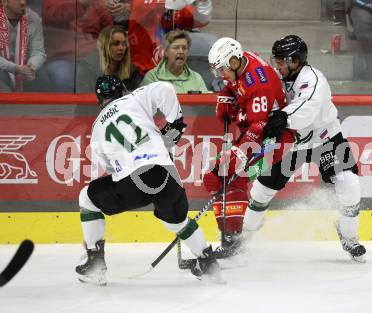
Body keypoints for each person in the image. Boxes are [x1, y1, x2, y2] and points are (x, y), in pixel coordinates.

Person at [75, 75, 219, 285]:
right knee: (177, 222)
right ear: (123, 90)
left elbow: (110, 167)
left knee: (87, 199)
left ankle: (95, 263)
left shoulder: (97, 127)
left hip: (132, 180)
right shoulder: (134, 98)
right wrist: (174, 125)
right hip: (166, 173)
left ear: (100, 101)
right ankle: (208, 262)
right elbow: (165, 88)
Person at [241, 35, 366, 262]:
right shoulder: (278, 78)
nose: (277, 65)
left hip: (325, 139)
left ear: (295, 60)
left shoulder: (314, 79)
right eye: (275, 61)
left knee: (349, 184)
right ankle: (244, 239)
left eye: (281, 61)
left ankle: (350, 237)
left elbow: (306, 109)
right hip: (294, 142)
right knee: (261, 189)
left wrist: (282, 118)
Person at [202, 37, 295, 259]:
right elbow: (234, 87)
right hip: (258, 132)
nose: (221, 75)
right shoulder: (242, 62)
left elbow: (259, 124)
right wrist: (226, 95)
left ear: (234, 62)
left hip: (275, 139)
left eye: (223, 69)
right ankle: (230, 237)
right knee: (219, 177)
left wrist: (240, 153)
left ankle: (233, 243)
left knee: (234, 176)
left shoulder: (258, 84)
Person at [41, 0, 112, 92]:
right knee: (62, 78)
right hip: (62, 57)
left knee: (108, 81)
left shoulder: (97, 4)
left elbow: (108, 31)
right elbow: (51, 16)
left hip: (93, 56)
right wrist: (81, 4)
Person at [129, 0, 212, 76]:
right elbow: (169, 3)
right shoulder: (140, 3)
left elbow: (202, 19)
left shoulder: (178, 9)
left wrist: (203, 3)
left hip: (173, 74)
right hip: (144, 73)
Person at [76, 25, 140, 93]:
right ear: (104, 45)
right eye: (115, 44)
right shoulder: (88, 67)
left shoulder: (130, 70)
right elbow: (84, 99)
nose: (121, 48)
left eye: (124, 44)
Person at [141, 29, 208, 93]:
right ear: (166, 52)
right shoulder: (152, 78)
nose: (181, 51)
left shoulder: (196, 78)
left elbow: (206, 103)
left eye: (184, 48)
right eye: (176, 47)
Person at [0, 0, 46, 92]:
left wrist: (32, 67)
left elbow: (38, 51)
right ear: (4, 2)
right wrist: (15, 68)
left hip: (25, 64)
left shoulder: (33, 18)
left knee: (42, 77)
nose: (23, 2)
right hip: (2, 66)